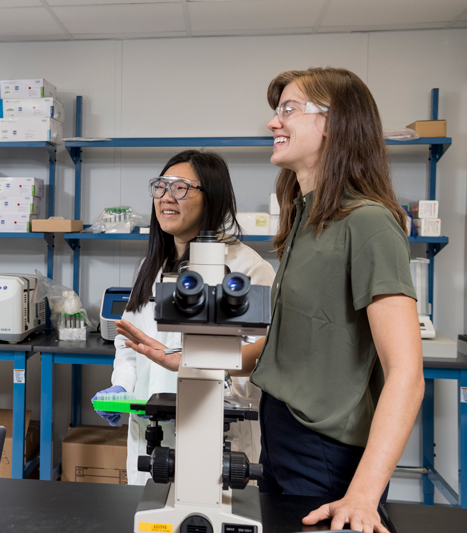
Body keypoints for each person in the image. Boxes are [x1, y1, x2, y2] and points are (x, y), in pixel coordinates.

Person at [126, 68, 424, 533]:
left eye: (289, 109)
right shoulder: (306, 222)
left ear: (336, 122)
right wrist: (179, 358)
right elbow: (287, 347)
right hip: (282, 437)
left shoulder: (368, 223)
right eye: (275, 111)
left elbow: (407, 373)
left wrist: (363, 495)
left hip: (328, 453)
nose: (273, 123)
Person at [92, 150, 276, 486]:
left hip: (217, 431)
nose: (166, 198)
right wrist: (123, 385)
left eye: (180, 188)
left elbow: (259, 357)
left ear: (213, 197)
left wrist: (188, 363)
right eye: (160, 187)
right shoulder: (153, 268)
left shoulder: (247, 270)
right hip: (153, 436)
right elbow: (128, 344)